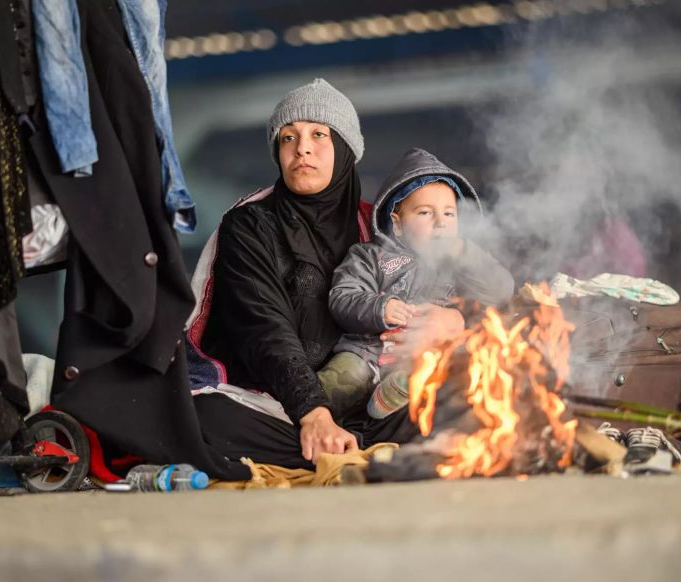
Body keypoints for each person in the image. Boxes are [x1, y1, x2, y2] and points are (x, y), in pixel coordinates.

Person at [189, 80, 496, 468]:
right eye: (288, 138)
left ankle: (348, 444)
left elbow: (491, 293)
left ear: (346, 148)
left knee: (475, 394)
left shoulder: (381, 225)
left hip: (375, 396)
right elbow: (265, 329)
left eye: (319, 134)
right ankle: (356, 449)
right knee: (204, 419)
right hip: (276, 404)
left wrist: (455, 319)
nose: (302, 147)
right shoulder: (251, 225)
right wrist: (312, 412)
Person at [324, 148, 515, 420]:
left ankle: (395, 393)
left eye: (449, 214)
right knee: (339, 381)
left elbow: (501, 291)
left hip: (428, 354)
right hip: (367, 352)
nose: (440, 223)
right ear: (397, 223)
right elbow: (342, 296)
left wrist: (466, 253)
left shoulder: (463, 262)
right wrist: (379, 307)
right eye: (426, 213)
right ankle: (302, 416)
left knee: (450, 371)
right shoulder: (370, 255)